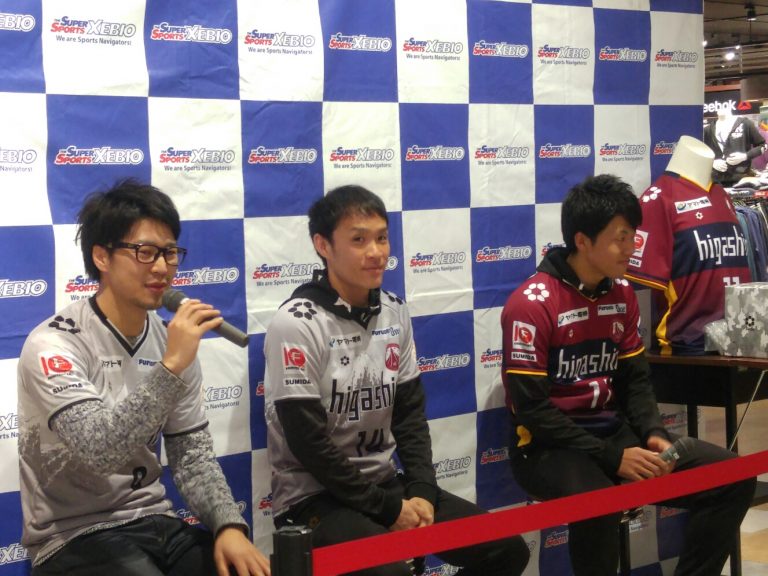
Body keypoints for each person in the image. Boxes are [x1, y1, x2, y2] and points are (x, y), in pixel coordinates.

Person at [263, 185, 530, 576]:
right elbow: (308, 443)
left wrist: (422, 491)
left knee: (507, 549)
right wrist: (388, 510)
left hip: (386, 484)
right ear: (323, 245)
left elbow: (409, 416)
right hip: (314, 498)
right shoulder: (297, 321)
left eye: (382, 238)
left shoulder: (394, 310)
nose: (376, 252)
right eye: (358, 240)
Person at [501, 174, 755, 576]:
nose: (631, 248)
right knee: (600, 504)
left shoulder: (621, 294)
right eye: (620, 238)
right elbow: (533, 411)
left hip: (614, 435)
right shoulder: (532, 303)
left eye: (633, 236)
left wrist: (653, 432)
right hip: (547, 447)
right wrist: (613, 458)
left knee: (732, 478)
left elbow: (635, 381)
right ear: (582, 240)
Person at [17, 179, 270, 576]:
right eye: (145, 252)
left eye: (170, 253)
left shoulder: (170, 342)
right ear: (101, 257)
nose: (161, 267)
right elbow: (101, 452)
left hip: (156, 521)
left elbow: (191, 455)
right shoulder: (54, 343)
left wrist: (228, 525)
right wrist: (171, 367)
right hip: (72, 536)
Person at [625, 135, 752, 355]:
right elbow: (642, 276)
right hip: (688, 348)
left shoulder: (721, 195)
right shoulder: (658, 199)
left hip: (739, 337)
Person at [703, 107, 766, 185]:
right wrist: (712, 163)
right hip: (716, 179)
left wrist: (745, 156)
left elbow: (762, 146)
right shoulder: (708, 130)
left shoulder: (745, 124)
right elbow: (703, 153)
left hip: (741, 178)